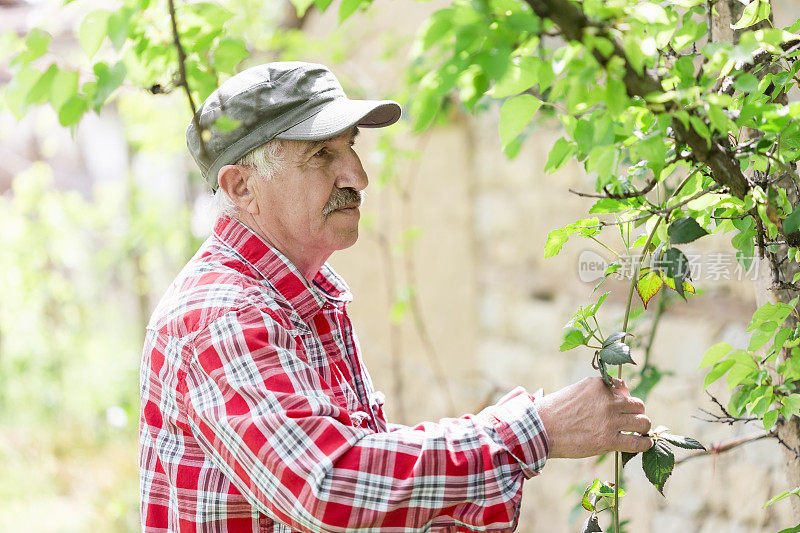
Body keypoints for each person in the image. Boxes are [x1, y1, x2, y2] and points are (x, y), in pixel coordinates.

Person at [139, 61, 653, 532]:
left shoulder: (300, 297)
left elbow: (373, 481)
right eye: (322, 155)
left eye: (351, 147)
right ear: (241, 187)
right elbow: (330, 486)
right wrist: (533, 431)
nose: (358, 177)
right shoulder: (222, 314)